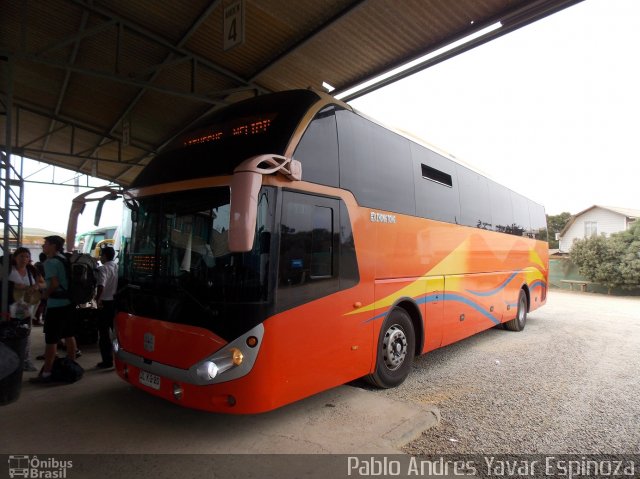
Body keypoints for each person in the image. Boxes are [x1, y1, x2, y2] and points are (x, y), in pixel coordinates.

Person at [30, 235, 78, 384]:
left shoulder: (50, 262)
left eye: (46, 243)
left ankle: (46, 373)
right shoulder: (63, 259)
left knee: (51, 340)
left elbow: (54, 284)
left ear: (53, 246)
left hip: (56, 305)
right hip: (69, 302)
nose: (43, 245)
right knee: (69, 334)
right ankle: (71, 366)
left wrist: (44, 295)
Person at [8, 247, 45, 372]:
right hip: (8, 305)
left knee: (25, 332)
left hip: (25, 306)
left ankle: (25, 360)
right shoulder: (8, 269)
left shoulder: (31, 270)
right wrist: (13, 285)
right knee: (10, 332)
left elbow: (43, 283)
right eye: (21, 256)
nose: (24, 259)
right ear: (15, 258)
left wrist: (36, 286)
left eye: (26, 257)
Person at [95, 246, 118, 369]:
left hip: (105, 304)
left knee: (104, 334)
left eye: (101, 255)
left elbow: (101, 285)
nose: (100, 257)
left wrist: (97, 299)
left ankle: (107, 361)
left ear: (104, 256)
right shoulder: (117, 267)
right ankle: (119, 359)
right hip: (115, 303)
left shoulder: (103, 268)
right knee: (116, 333)